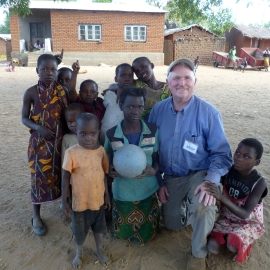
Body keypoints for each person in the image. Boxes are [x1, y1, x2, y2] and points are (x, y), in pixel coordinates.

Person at [149, 58, 232, 270]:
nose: (182, 83)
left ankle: (198, 254)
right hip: (173, 177)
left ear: (195, 81)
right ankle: (192, 209)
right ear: (168, 82)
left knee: (203, 205)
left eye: (187, 77)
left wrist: (210, 181)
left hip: (200, 173)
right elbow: (151, 151)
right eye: (176, 78)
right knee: (172, 224)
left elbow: (222, 155)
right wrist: (159, 181)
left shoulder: (209, 113)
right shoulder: (157, 111)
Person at [104, 86, 160, 244]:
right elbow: (106, 159)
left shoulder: (153, 130)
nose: (135, 111)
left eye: (140, 107)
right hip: (123, 191)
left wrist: (153, 170)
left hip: (147, 189)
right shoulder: (112, 134)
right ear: (121, 106)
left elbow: (157, 158)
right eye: (130, 106)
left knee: (148, 234)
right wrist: (109, 170)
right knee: (122, 233)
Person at [21, 54, 68, 236]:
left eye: (53, 69)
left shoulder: (62, 91)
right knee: (38, 178)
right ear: (37, 71)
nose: (49, 73)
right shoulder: (31, 92)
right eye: (45, 69)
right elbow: (24, 118)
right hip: (39, 143)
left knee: (61, 175)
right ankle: (36, 216)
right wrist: (37, 128)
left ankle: (66, 207)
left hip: (59, 142)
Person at [62, 113, 111, 268]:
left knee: (99, 230)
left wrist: (107, 196)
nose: (88, 138)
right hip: (80, 203)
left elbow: (104, 174)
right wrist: (64, 200)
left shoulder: (101, 151)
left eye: (93, 134)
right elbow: (65, 178)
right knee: (79, 232)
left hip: (98, 201)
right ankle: (79, 253)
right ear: (76, 132)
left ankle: (99, 250)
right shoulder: (71, 153)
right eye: (83, 134)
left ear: (98, 132)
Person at [207, 138, 267, 263]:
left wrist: (221, 197)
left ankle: (244, 242)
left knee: (232, 245)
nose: (239, 158)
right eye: (238, 153)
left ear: (257, 162)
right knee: (212, 247)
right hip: (227, 218)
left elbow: (245, 214)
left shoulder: (259, 182)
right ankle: (229, 236)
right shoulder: (228, 171)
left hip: (246, 223)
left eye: (246, 156)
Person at [100, 63, 133, 145]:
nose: (127, 79)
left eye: (130, 76)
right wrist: (114, 87)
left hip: (124, 137)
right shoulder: (109, 94)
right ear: (116, 78)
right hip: (106, 135)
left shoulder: (135, 95)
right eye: (123, 76)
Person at [69, 61, 106, 127]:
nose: (88, 94)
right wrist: (75, 72)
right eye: (85, 91)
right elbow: (71, 90)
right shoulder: (78, 104)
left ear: (97, 94)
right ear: (80, 93)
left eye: (92, 92)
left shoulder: (100, 105)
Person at [61, 103, 85, 173]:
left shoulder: (90, 136)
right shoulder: (66, 138)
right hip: (73, 178)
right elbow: (64, 161)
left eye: (76, 121)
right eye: (70, 122)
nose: (73, 124)